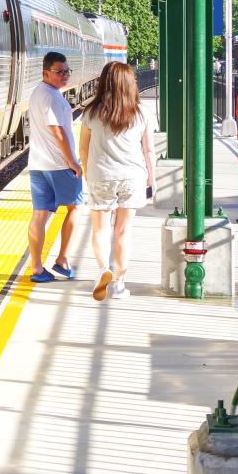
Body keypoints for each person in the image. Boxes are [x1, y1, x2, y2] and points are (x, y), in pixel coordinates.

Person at [79, 61, 155, 301]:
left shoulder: (91, 112)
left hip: (101, 176)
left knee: (100, 228)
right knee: (123, 231)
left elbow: (83, 149)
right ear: (129, 85)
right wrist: (152, 179)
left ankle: (104, 270)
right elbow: (149, 150)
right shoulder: (141, 113)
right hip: (132, 178)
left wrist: (88, 173)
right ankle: (120, 284)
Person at [26, 51, 83, 282]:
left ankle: (37, 268)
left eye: (67, 71)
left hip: (38, 164)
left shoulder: (38, 93)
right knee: (75, 208)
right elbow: (58, 132)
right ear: (45, 73)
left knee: (39, 215)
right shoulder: (51, 98)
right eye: (59, 72)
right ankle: (62, 260)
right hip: (59, 166)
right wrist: (72, 162)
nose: (64, 76)